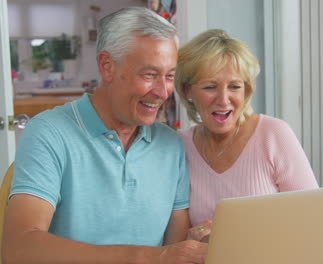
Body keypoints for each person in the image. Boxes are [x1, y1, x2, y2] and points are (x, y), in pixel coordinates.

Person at [3, 7, 207, 264]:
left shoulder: (170, 145)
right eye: (149, 75)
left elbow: (173, 250)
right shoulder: (49, 133)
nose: (163, 92)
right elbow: (19, 248)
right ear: (107, 66)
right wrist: (151, 257)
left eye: (169, 77)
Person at [175, 29, 319, 240]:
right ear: (188, 92)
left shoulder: (273, 134)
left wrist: (234, 235)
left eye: (235, 86)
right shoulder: (180, 145)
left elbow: (314, 217)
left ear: (246, 91)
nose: (224, 100)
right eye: (210, 87)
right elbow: (179, 238)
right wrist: (196, 237)